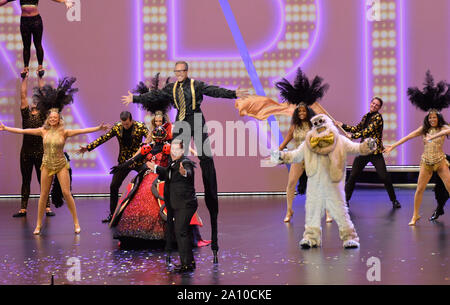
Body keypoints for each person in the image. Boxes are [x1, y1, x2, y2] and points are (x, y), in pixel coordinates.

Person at [122, 61, 249, 263]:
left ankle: (210, 189)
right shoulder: (172, 88)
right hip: (181, 123)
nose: (179, 74)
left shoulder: (196, 85)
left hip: (196, 120)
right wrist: (135, 97)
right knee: (176, 156)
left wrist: (233, 94)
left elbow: (213, 91)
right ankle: (177, 180)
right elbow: (154, 96)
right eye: (177, 72)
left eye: (182, 71)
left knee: (206, 158)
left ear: (186, 72)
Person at [0, 77, 109, 234]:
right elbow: (23, 131)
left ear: (58, 119)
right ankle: (38, 225)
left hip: (60, 164)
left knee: (66, 193)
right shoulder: (42, 130)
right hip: (46, 164)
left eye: (55, 118)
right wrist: (6, 128)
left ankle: (76, 223)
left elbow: (83, 130)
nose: (52, 119)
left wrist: (98, 128)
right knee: (43, 195)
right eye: (50, 118)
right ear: (48, 119)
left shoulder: (64, 132)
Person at [384, 71, 450, 225]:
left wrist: (433, 137)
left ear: (438, 118)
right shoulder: (423, 129)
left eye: (434, 117)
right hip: (426, 162)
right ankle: (415, 215)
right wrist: (393, 145)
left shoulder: (443, 127)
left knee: (449, 186)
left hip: (440, 161)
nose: (432, 119)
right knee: (419, 189)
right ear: (428, 118)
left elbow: (448, 130)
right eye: (430, 118)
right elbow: (407, 137)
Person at [77, 111, 149, 223]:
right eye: (123, 123)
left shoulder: (140, 126)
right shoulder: (117, 127)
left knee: (148, 183)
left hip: (138, 161)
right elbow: (104, 138)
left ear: (131, 120)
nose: (125, 126)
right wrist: (88, 147)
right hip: (123, 162)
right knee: (114, 186)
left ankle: (150, 214)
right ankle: (112, 215)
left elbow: (150, 140)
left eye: (127, 124)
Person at [335, 97, 401, 209]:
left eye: (377, 105)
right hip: (363, 151)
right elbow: (357, 128)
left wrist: (353, 136)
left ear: (379, 107)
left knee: (384, 177)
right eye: (373, 103)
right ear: (370, 103)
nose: (374, 106)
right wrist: (343, 125)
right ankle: (345, 201)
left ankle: (394, 200)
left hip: (375, 152)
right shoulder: (366, 116)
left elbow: (367, 131)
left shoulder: (378, 118)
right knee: (353, 175)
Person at [147, 139, 198, 272]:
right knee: (183, 232)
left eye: (176, 150)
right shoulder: (173, 164)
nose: (173, 152)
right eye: (172, 150)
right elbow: (167, 172)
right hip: (179, 203)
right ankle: (189, 263)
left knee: (181, 232)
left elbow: (187, 172)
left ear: (182, 151)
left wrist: (184, 173)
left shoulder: (185, 162)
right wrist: (156, 168)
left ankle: (186, 265)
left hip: (185, 204)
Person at [13, 73, 55, 217]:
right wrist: (24, 79)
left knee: (43, 180)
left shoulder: (43, 115)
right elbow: (23, 95)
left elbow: (43, 95)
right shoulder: (26, 115)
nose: (34, 102)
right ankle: (23, 208)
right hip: (26, 153)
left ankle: (47, 207)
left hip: (41, 153)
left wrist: (40, 78)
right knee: (26, 180)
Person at [0, 0, 73, 78]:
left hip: (36, 21)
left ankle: (40, 66)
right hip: (25, 22)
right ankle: (26, 68)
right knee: (26, 46)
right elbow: (5, 1)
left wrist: (65, 1)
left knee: (38, 44)